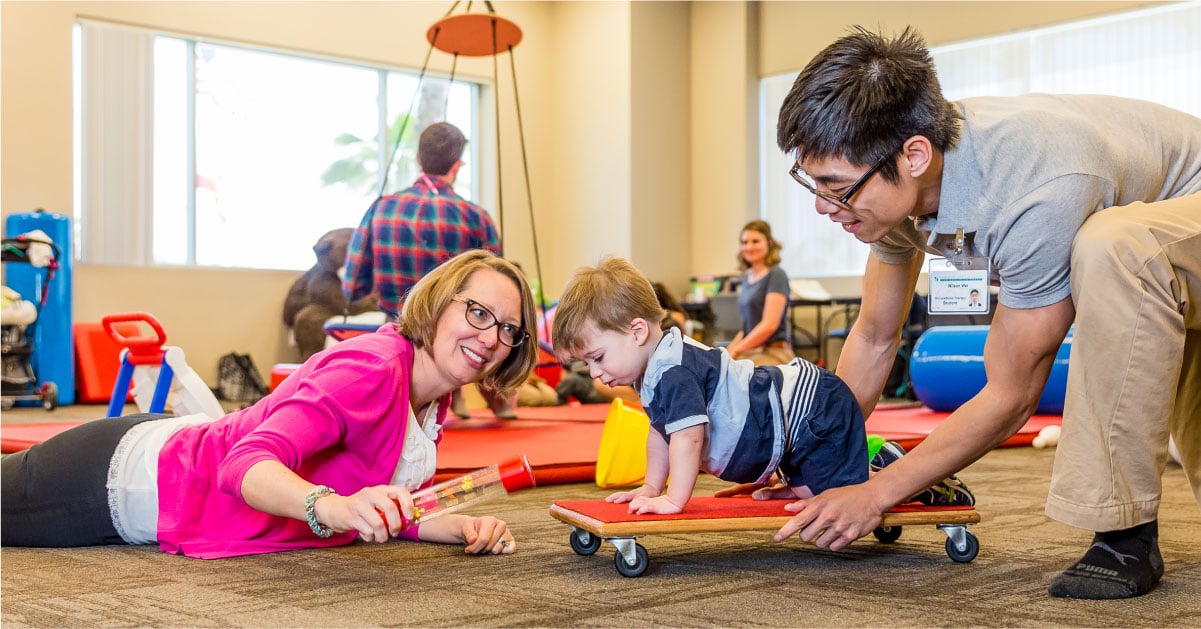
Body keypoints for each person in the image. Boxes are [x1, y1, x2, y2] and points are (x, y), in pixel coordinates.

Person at [773, 26, 1201, 599]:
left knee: (1112, 245)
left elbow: (1012, 392)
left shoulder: (1036, 190)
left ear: (915, 155)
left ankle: (1124, 535)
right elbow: (876, 336)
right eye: (813, 184)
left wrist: (876, 494)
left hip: (1171, 231)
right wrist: (821, 459)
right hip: (1161, 280)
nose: (826, 207)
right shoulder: (899, 183)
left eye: (839, 189)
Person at [2, 250, 537, 559]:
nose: (491, 337)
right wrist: (335, 507)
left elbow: (391, 505)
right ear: (440, 305)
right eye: (478, 313)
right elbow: (244, 463)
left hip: (165, 463)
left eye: (509, 329)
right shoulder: (371, 369)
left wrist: (461, 525)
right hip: (126, 481)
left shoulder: (433, 397)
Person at [550, 255, 973, 515]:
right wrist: (648, 487)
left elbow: (688, 437)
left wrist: (673, 499)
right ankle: (839, 467)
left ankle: (902, 473)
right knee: (805, 494)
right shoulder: (655, 368)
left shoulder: (673, 371)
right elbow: (659, 432)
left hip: (812, 412)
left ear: (637, 330)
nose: (596, 375)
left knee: (842, 495)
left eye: (598, 357)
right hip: (789, 422)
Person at [342, 121, 506, 419]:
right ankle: (458, 393)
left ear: (419, 160)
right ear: (457, 165)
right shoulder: (476, 218)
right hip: (459, 338)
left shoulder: (382, 208)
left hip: (399, 339)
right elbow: (499, 291)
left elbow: (352, 286)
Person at [723, 220, 794, 366]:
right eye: (744, 242)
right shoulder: (746, 278)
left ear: (769, 243)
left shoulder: (777, 275)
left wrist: (736, 350)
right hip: (751, 350)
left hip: (773, 353)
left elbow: (769, 325)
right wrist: (728, 351)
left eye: (755, 241)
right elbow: (747, 329)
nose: (749, 247)